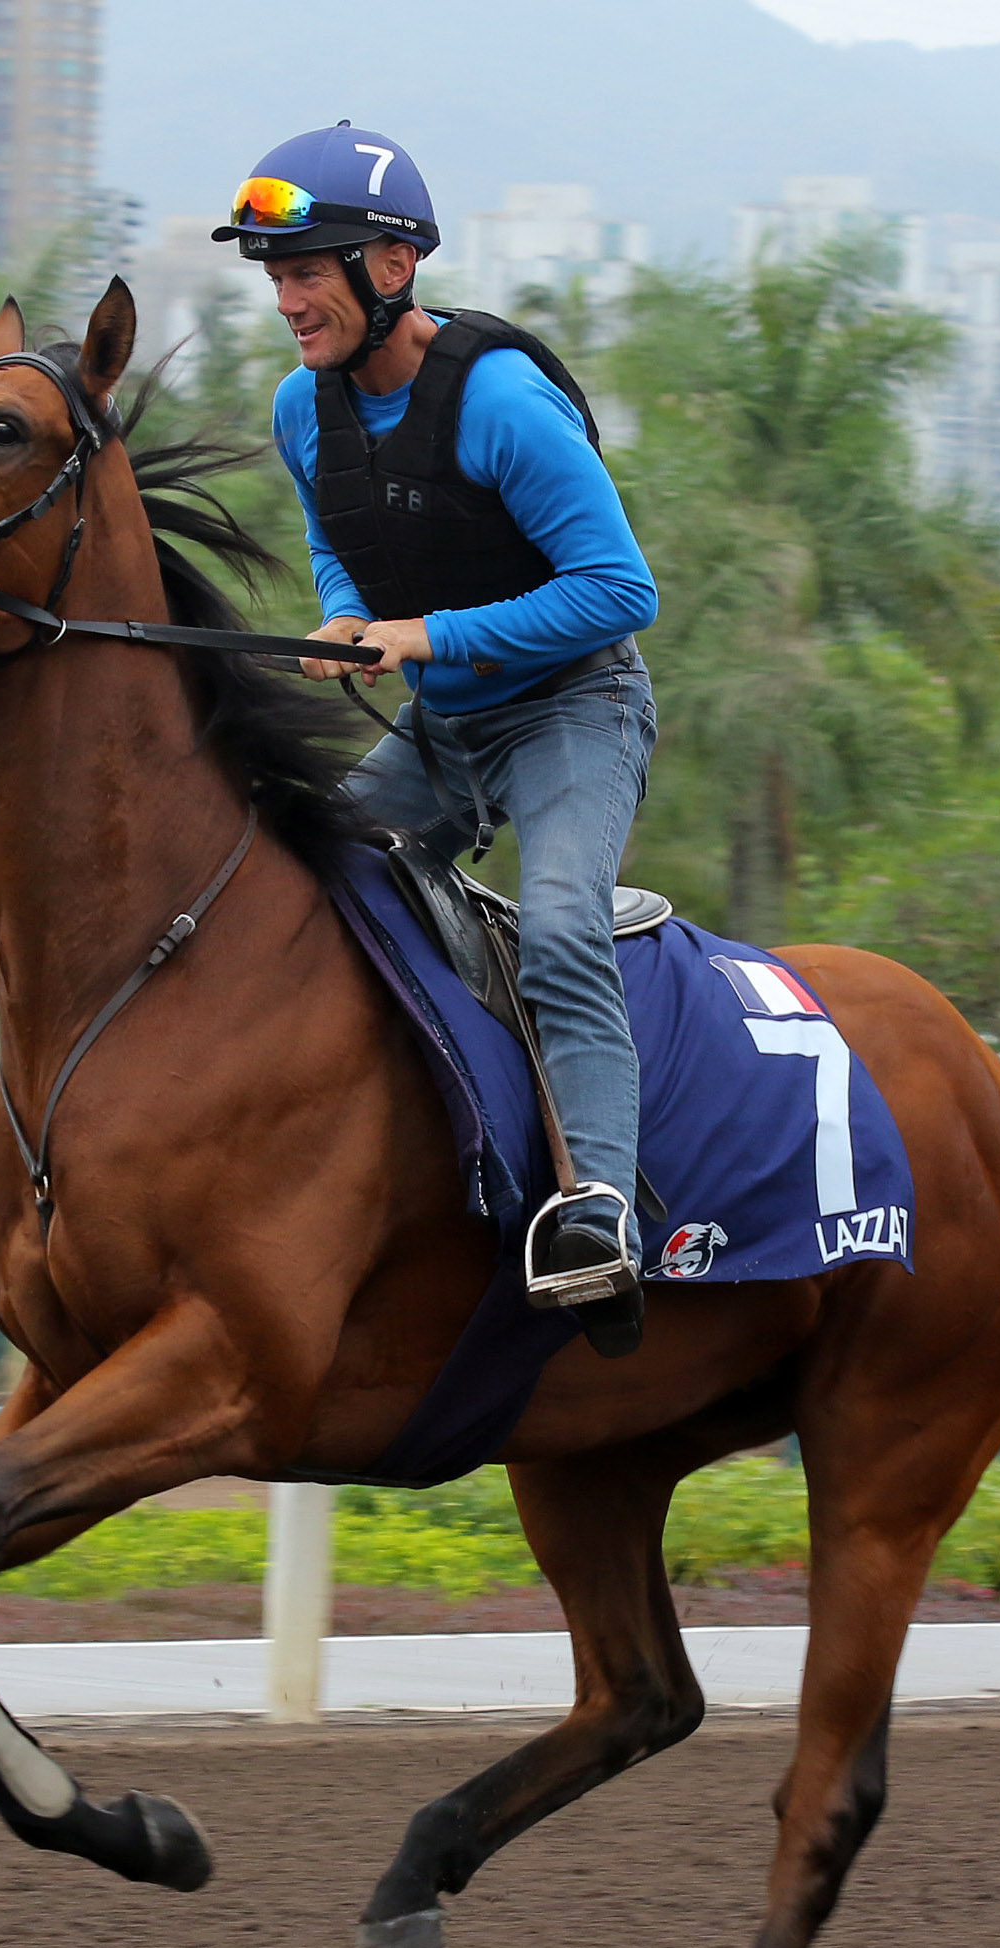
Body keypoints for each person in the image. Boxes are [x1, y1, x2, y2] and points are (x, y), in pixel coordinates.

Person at [219, 122, 662, 1355]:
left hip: (574, 709)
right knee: (293, 882)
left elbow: (623, 592)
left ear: (392, 268)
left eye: (309, 270)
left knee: (565, 919)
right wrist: (348, 612)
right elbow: (334, 537)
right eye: (275, 274)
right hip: (446, 722)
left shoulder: (503, 400)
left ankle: (603, 1211)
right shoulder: (302, 413)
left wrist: (420, 634)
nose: (288, 298)